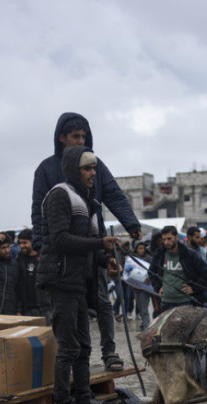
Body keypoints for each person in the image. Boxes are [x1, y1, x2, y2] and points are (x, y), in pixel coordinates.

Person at [32, 112, 141, 372]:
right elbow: (38, 212)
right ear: (61, 138)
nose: (81, 141)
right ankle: (66, 366)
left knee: (102, 301)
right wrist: (40, 246)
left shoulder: (96, 165)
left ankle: (109, 352)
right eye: (75, 136)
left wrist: (132, 224)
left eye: (84, 136)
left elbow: (114, 194)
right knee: (68, 314)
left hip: (94, 246)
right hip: (62, 255)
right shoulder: (47, 170)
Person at [36, 146, 123, 404]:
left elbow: (94, 250)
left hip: (79, 283)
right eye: (87, 168)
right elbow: (60, 239)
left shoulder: (90, 203)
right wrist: (100, 245)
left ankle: (84, 401)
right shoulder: (60, 195)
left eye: (94, 168)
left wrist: (106, 260)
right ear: (74, 169)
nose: (93, 173)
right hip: (60, 281)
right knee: (69, 346)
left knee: (84, 345)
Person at [149, 225, 207, 312]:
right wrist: (158, 287)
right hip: (166, 302)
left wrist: (193, 288)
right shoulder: (159, 254)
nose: (166, 242)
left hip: (185, 301)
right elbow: (151, 272)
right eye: (164, 239)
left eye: (169, 238)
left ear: (176, 237)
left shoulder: (189, 254)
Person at [15, 229, 42, 317]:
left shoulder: (42, 259)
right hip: (26, 310)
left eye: (25, 242)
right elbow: (17, 287)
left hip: (43, 308)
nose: (21, 246)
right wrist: (18, 310)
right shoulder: (18, 261)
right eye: (20, 243)